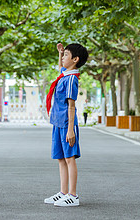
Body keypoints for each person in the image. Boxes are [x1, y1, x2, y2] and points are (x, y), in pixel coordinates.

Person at [44, 43, 88, 207]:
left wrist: (71, 131)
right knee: (61, 159)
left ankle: (73, 195)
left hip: (67, 125)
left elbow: (71, 106)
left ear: (75, 59)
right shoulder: (65, 75)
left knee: (70, 159)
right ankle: (63, 193)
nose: (62, 58)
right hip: (58, 123)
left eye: (66, 55)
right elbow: (61, 67)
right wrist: (60, 53)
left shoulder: (71, 80)